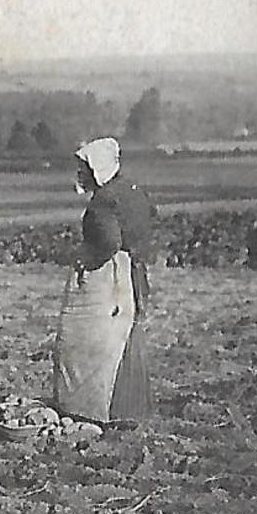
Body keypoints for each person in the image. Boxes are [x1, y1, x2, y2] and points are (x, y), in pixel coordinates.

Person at [52, 136, 157, 424]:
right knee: (125, 338)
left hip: (111, 276)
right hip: (134, 271)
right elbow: (150, 220)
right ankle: (128, 409)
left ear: (96, 169)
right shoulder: (132, 191)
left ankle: (89, 409)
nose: (79, 174)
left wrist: (85, 261)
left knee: (87, 341)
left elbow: (108, 242)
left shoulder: (103, 201)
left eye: (83, 169)